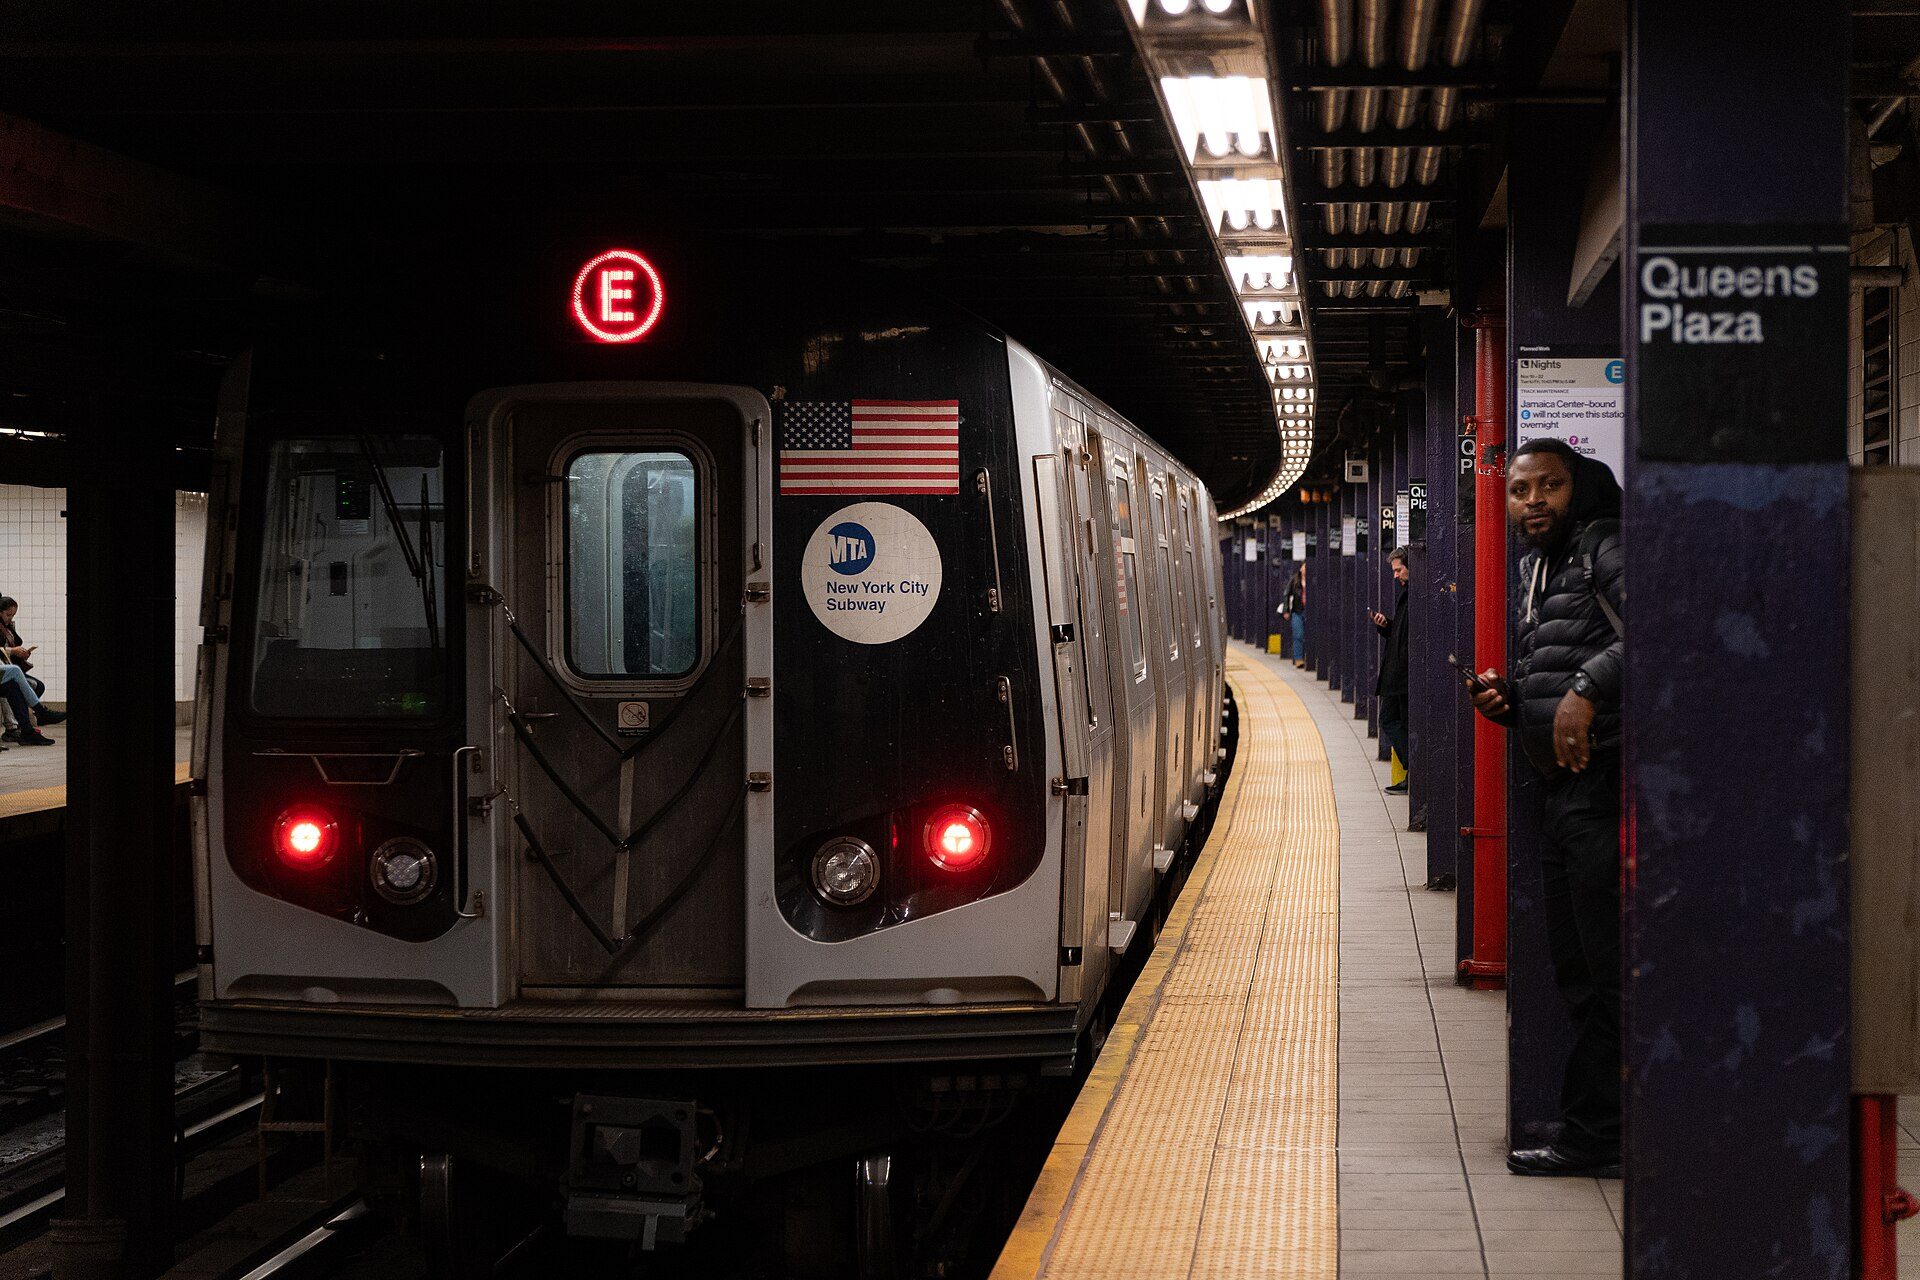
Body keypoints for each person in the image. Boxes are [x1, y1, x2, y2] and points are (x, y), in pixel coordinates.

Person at [1467, 439, 1624, 1179]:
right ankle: (1593, 1129)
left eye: (1550, 487)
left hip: (1604, 790)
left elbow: (1664, 630)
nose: (1533, 501)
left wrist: (1586, 690)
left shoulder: (1605, 549)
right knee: (1576, 971)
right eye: (1522, 489)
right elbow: (1552, 668)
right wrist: (1509, 704)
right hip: (1562, 793)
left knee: (1605, 969)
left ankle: (1602, 1134)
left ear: (1576, 489)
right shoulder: (1536, 570)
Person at [1371, 547, 1411, 795]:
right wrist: (1386, 626)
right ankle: (1413, 771)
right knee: (1392, 720)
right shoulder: (1407, 596)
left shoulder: (1414, 595)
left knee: (1392, 720)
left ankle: (1415, 770)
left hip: (1403, 676)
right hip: (1398, 675)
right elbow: (1401, 633)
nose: (1396, 575)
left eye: (1399, 570)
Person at [0, 596, 61, 745]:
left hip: (5, 668)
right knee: (14, 673)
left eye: (13, 615)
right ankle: (40, 712)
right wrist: (13, 651)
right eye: (8, 615)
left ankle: (26, 731)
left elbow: (14, 643)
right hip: (7, 668)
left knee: (17, 686)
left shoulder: (7, 627)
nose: (10, 618)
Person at [1279, 564, 1307, 667]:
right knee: (1298, 634)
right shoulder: (1295, 580)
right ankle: (1298, 658)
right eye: (1304, 567)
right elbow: (1287, 594)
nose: (1305, 570)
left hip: (1309, 611)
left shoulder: (1314, 579)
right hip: (1297, 611)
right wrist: (1286, 610)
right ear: (1300, 568)